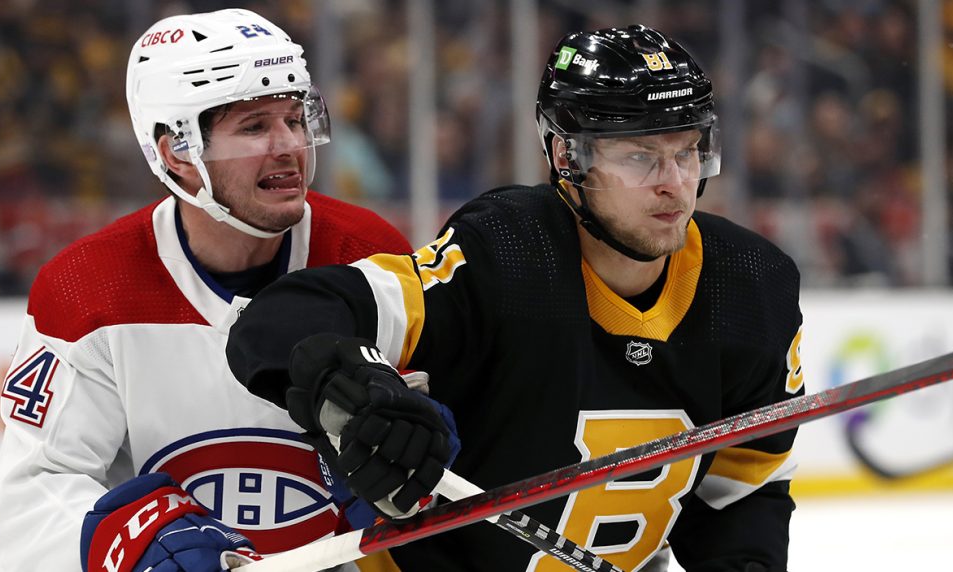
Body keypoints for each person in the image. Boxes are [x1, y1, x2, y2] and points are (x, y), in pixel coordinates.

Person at [226, 25, 804, 572]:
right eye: (639, 157)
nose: (673, 183)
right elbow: (286, 318)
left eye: (687, 152)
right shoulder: (507, 253)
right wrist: (356, 384)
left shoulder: (752, 284)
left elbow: (742, 492)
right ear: (566, 157)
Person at [0, 8, 412, 572]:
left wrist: (415, 465)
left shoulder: (370, 256)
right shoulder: (88, 289)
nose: (289, 145)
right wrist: (128, 544)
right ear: (177, 152)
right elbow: (34, 495)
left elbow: (442, 446)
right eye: (254, 126)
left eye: (294, 118)